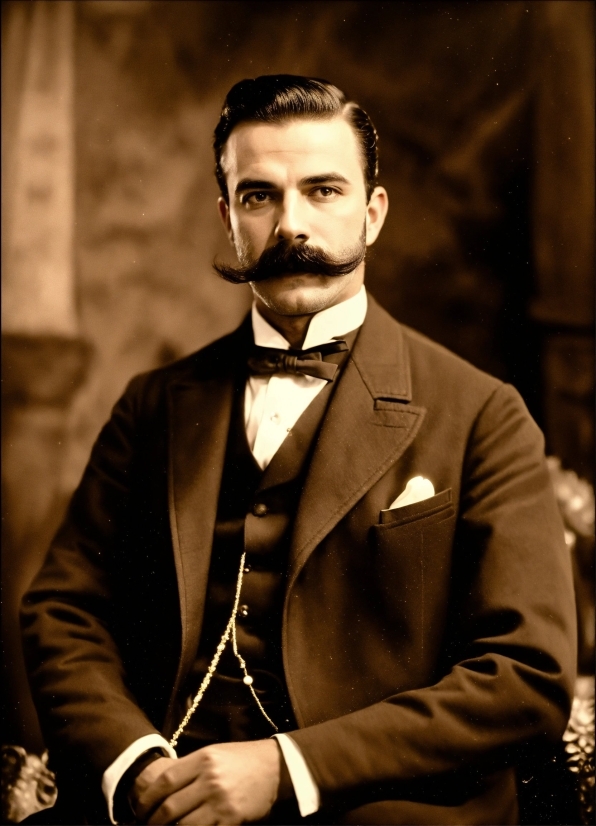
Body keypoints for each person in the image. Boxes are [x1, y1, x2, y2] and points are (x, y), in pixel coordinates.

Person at [21, 75, 576, 826]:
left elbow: (526, 677)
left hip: (374, 810)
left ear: (372, 214)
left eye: (324, 191)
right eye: (259, 197)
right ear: (227, 217)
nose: (292, 226)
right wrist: (135, 765)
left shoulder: (484, 414)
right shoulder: (153, 405)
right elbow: (64, 608)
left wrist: (290, 770)